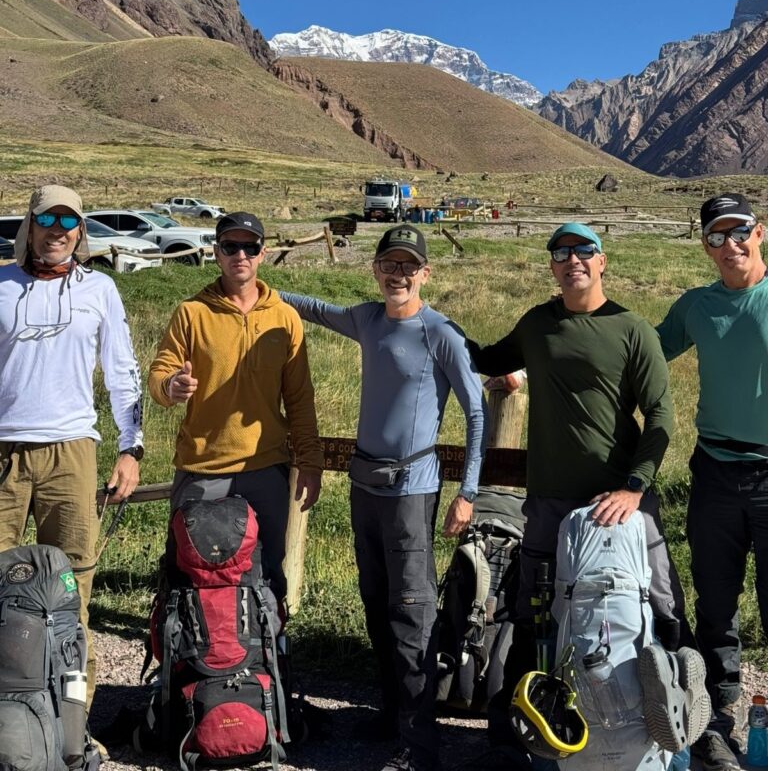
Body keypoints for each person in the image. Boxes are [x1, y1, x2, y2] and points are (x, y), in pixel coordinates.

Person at [468, 223, 687, 752]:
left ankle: (680, 719)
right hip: (549, 500)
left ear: (602, 261)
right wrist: (432, 324)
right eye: (562, 253)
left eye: (584, 251)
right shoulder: (537, 324)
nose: (573, 260)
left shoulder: (632, 329)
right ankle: (519, 730)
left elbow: (660, 416)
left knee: (659, 602)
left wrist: (635, 488)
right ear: (552, 266)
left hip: (620, 502)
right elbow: (489, 359)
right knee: (533, 609)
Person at [281, 224, 487, 771]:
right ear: (375, 270)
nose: (399, 274)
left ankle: (420, 747)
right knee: (376, 602)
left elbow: (475, 412)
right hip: (365, 486)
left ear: (425, 274)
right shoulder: (367, 319)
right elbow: (315, 308)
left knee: (412, 614)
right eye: (389, 264)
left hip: (411, 494)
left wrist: (467, 492)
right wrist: (257, 288)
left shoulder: (440, 333)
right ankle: (391, 714)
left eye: (408, 266)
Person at [0, 185, 143, 709]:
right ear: (29, 226)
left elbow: (123, 372)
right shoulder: (2, 284)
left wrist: (131, 448)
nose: (57, 231)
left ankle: (73, 719)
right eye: (47, 220)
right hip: (5, 450)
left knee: (71, 589)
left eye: (68, 222)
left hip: (72, 451)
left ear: (80, 232)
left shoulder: (99, 289)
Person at [148, 211, 323, 603]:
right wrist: (170, 386)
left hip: (267, 468)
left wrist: (311, 463)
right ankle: (188, 640)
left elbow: (299, 399)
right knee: (189, 572)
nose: (240, 255)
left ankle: (268, 639)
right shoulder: (192, 313)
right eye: (230, 246)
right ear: (216, 253)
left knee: (269, 572)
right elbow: (159, 374)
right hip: (203, 467)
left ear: (263, 253)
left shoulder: (285, 319)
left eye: (250, 247)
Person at [657, 193, 768, 771]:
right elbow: (643, 355)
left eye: (739, 231)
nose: (731, 245)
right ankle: (720, 717)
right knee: (716, 599)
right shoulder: (696, 306)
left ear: (760, 232)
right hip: (716, 470)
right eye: (717, 237)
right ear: (705, 247)